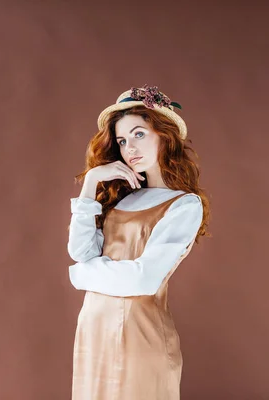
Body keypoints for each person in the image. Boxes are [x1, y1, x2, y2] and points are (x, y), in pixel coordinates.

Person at [67, 85, 210, 400]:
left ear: (164, 136)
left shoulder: (184, 205)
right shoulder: (118, 199)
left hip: (141, 334)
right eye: (122, 140)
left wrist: (83, 274)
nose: (129, 147)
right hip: (94, 331)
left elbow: (144, 279)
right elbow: (80, 251)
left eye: (139, 135)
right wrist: (90, 183)